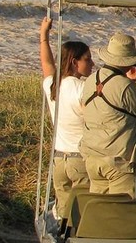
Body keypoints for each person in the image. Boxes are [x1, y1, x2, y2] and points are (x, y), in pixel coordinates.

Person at [79, 32, 136, 202]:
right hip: (120, 161)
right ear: (130, 60)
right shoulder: (124, 86)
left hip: (93, 157)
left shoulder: (91, 80)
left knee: (101, 214)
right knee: (125, 216)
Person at [39, 16, 95, 218]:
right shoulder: (81, 88)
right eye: (87, 59)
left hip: (59, 159)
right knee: (82, 213)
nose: (92, 64)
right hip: (78, 158)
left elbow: (46, 62)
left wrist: (43, 35)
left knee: (63, 212)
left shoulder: (52, 84)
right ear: (74, 61)